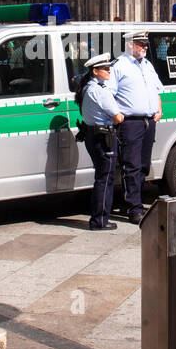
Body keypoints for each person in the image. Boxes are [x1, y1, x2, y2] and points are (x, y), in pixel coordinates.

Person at [110, 31, 163, 224]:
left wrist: (159, 108)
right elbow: (109, 94)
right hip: (130, 122)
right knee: (131, 166)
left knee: (143, 165)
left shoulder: (147, 65)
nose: (146, 48)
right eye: (142, 44)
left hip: (148, 121)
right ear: (131, 44)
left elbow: (157, 89)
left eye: (146, 44)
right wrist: (118, 116)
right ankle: (134, 208)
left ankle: (135, 200)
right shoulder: (119, 66)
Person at [76, 54, 124, 231]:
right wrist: (120, 116)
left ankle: (99, 218)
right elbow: (117, 117)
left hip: (93, 135)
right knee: (105, 178)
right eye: (105, 69)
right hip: (103, 137)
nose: (109, 71)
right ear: (95, 71)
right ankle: (100, 220)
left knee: (102, 177)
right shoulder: (100, 91)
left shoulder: (89, 87)